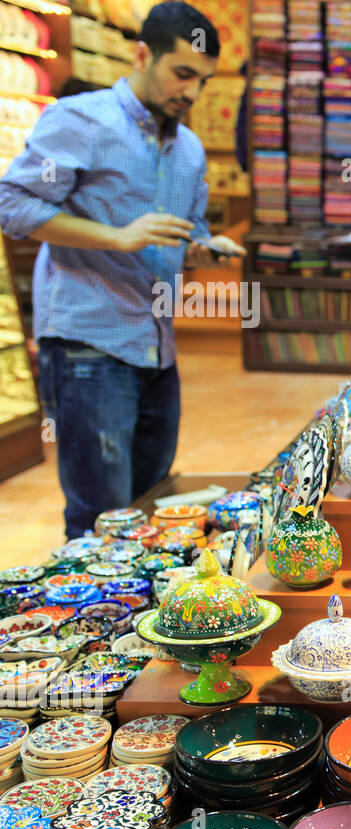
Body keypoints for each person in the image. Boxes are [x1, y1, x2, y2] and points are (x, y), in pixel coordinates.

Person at [0, 2, 245, 539]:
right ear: (142, 54)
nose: (193, 93)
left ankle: (138, 621)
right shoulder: (80, 119)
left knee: (151, 502)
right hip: (89, 342)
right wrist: (116, 236)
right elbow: (13, 204)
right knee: (99, 516)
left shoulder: (190, 152)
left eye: (202, 81)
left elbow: (185, 233)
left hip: (157, 344)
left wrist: (205, 250)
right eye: (182, 74)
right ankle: (90, 618)